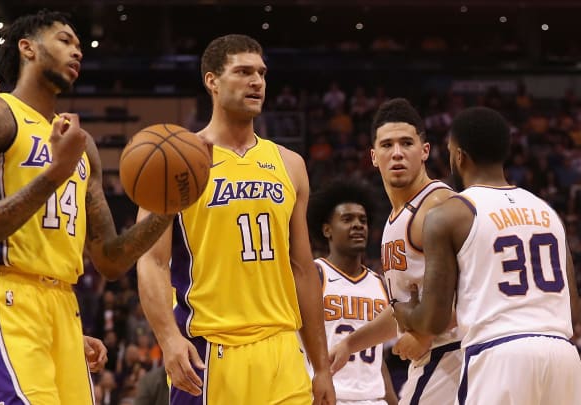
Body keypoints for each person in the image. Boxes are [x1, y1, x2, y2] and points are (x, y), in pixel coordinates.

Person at [0, 10, 173, 404]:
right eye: (64, 40)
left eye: (79, 45)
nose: (77, 52)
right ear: (28, 48)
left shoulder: (81, 143)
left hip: (64, 302)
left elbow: (109, 260)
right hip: (7, 288)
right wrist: (56, 172)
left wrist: (171, 208)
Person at [136, 34, 335, 405]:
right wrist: (168, 339)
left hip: (282, 350)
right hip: (211, 349)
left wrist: (321, 366)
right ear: (212, 81)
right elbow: (152, 260)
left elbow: (303, 269)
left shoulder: (290, 164)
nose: (257, 81)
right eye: (243, 72)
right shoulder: (177, 161)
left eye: (261, 73)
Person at [392, 106, 581, 405]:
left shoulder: (451, 214)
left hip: (499, 354)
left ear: (459, 156)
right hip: (563, 355)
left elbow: (434, 320)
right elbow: (572, 310)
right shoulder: (546, 211)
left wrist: (404, 311)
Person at [329, 98, 462, 405]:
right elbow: (402, 308)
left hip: (456, 353)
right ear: (374, 157)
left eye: (407, 143)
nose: (397, 153)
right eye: (387, 145)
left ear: (425, 151)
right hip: (438, 359)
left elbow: (478, 286)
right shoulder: (394, 221)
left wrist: (426, 334)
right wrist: (350, 343)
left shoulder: (439, 205)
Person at [307, 178, 399, 405]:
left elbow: (379, 359)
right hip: (327, 397)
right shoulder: (314, 275)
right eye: (347, 219)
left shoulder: (380, 283)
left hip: (374, 399)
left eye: (363, 220)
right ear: (327, 230)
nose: (358, 225)